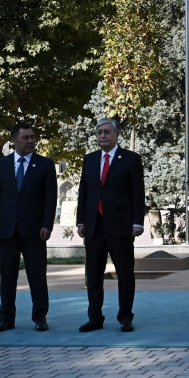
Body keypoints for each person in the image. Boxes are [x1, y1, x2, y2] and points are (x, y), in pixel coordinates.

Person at [0, 122, 57, 332]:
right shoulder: (0, 165)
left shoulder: (45, 165)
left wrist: (47, 224)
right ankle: (6, 318)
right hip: (6, 230)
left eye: (33, 137)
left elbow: (50, 198)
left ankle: (40, 317)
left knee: (37, 276)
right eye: (25, 138)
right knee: (7, 276)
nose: (30, 141)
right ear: (13, 140)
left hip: (35, 231)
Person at [76, 118, 145, 333]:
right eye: (99, 133)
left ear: (116, 135)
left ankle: (125, 317)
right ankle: (94, 317)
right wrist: (80, 220)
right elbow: (84, 192)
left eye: (107, 132)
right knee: (94, 275)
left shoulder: (131, 160)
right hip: (94, 226)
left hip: (120, 226)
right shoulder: (90, 160)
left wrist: (137, 222)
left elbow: (137, 193)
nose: (103, 136)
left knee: (125, 274)